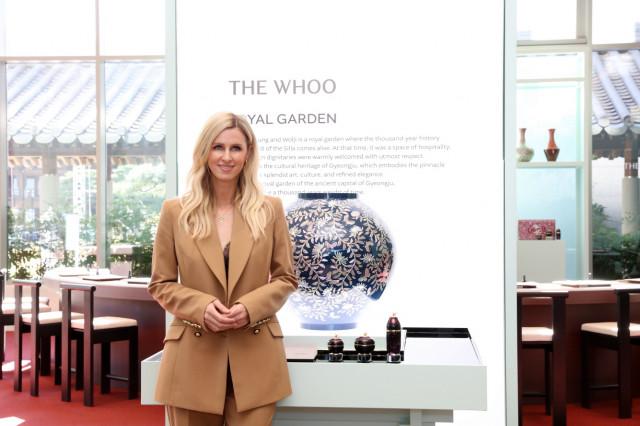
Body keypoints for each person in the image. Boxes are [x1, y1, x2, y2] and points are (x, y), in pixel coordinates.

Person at [148, 112, 298, 425]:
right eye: (218, 147)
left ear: (248, 154)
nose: (226, 157)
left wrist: (250, 307)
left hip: (256, 355)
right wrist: (201, 307)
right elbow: (161, 283)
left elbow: (285, 278)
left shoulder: (270, 209)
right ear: (205, 151)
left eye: (235, 148)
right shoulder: (175, 211)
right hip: (192, 357)